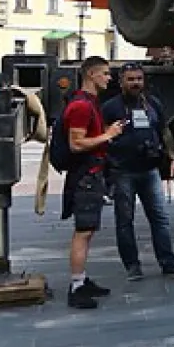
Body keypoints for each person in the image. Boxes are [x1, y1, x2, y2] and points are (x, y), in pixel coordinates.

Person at [102, 63, 174, 281]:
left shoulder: (153, 104)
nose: (136, 83)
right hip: (123, 171)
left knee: (160, 219)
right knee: (125, 221)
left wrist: (172, 158)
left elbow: (164, 131)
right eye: (131, 79)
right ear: (121, 82)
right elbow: (100, 136)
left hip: (150, 171)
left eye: (139, 79)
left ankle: (169, 263)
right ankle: (132, 265)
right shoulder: (110, 107)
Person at [60, 55, 125, 309]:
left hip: (92, 174)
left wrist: (108, 131)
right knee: (83, 232)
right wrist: (108, 135)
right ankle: (76, 288)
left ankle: (82, 279)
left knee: (88, 231)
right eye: (106, 74)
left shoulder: (90, 103)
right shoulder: (81, 106)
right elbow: (76, 144)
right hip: (86, 176)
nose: (110, 78)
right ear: (91, 75)